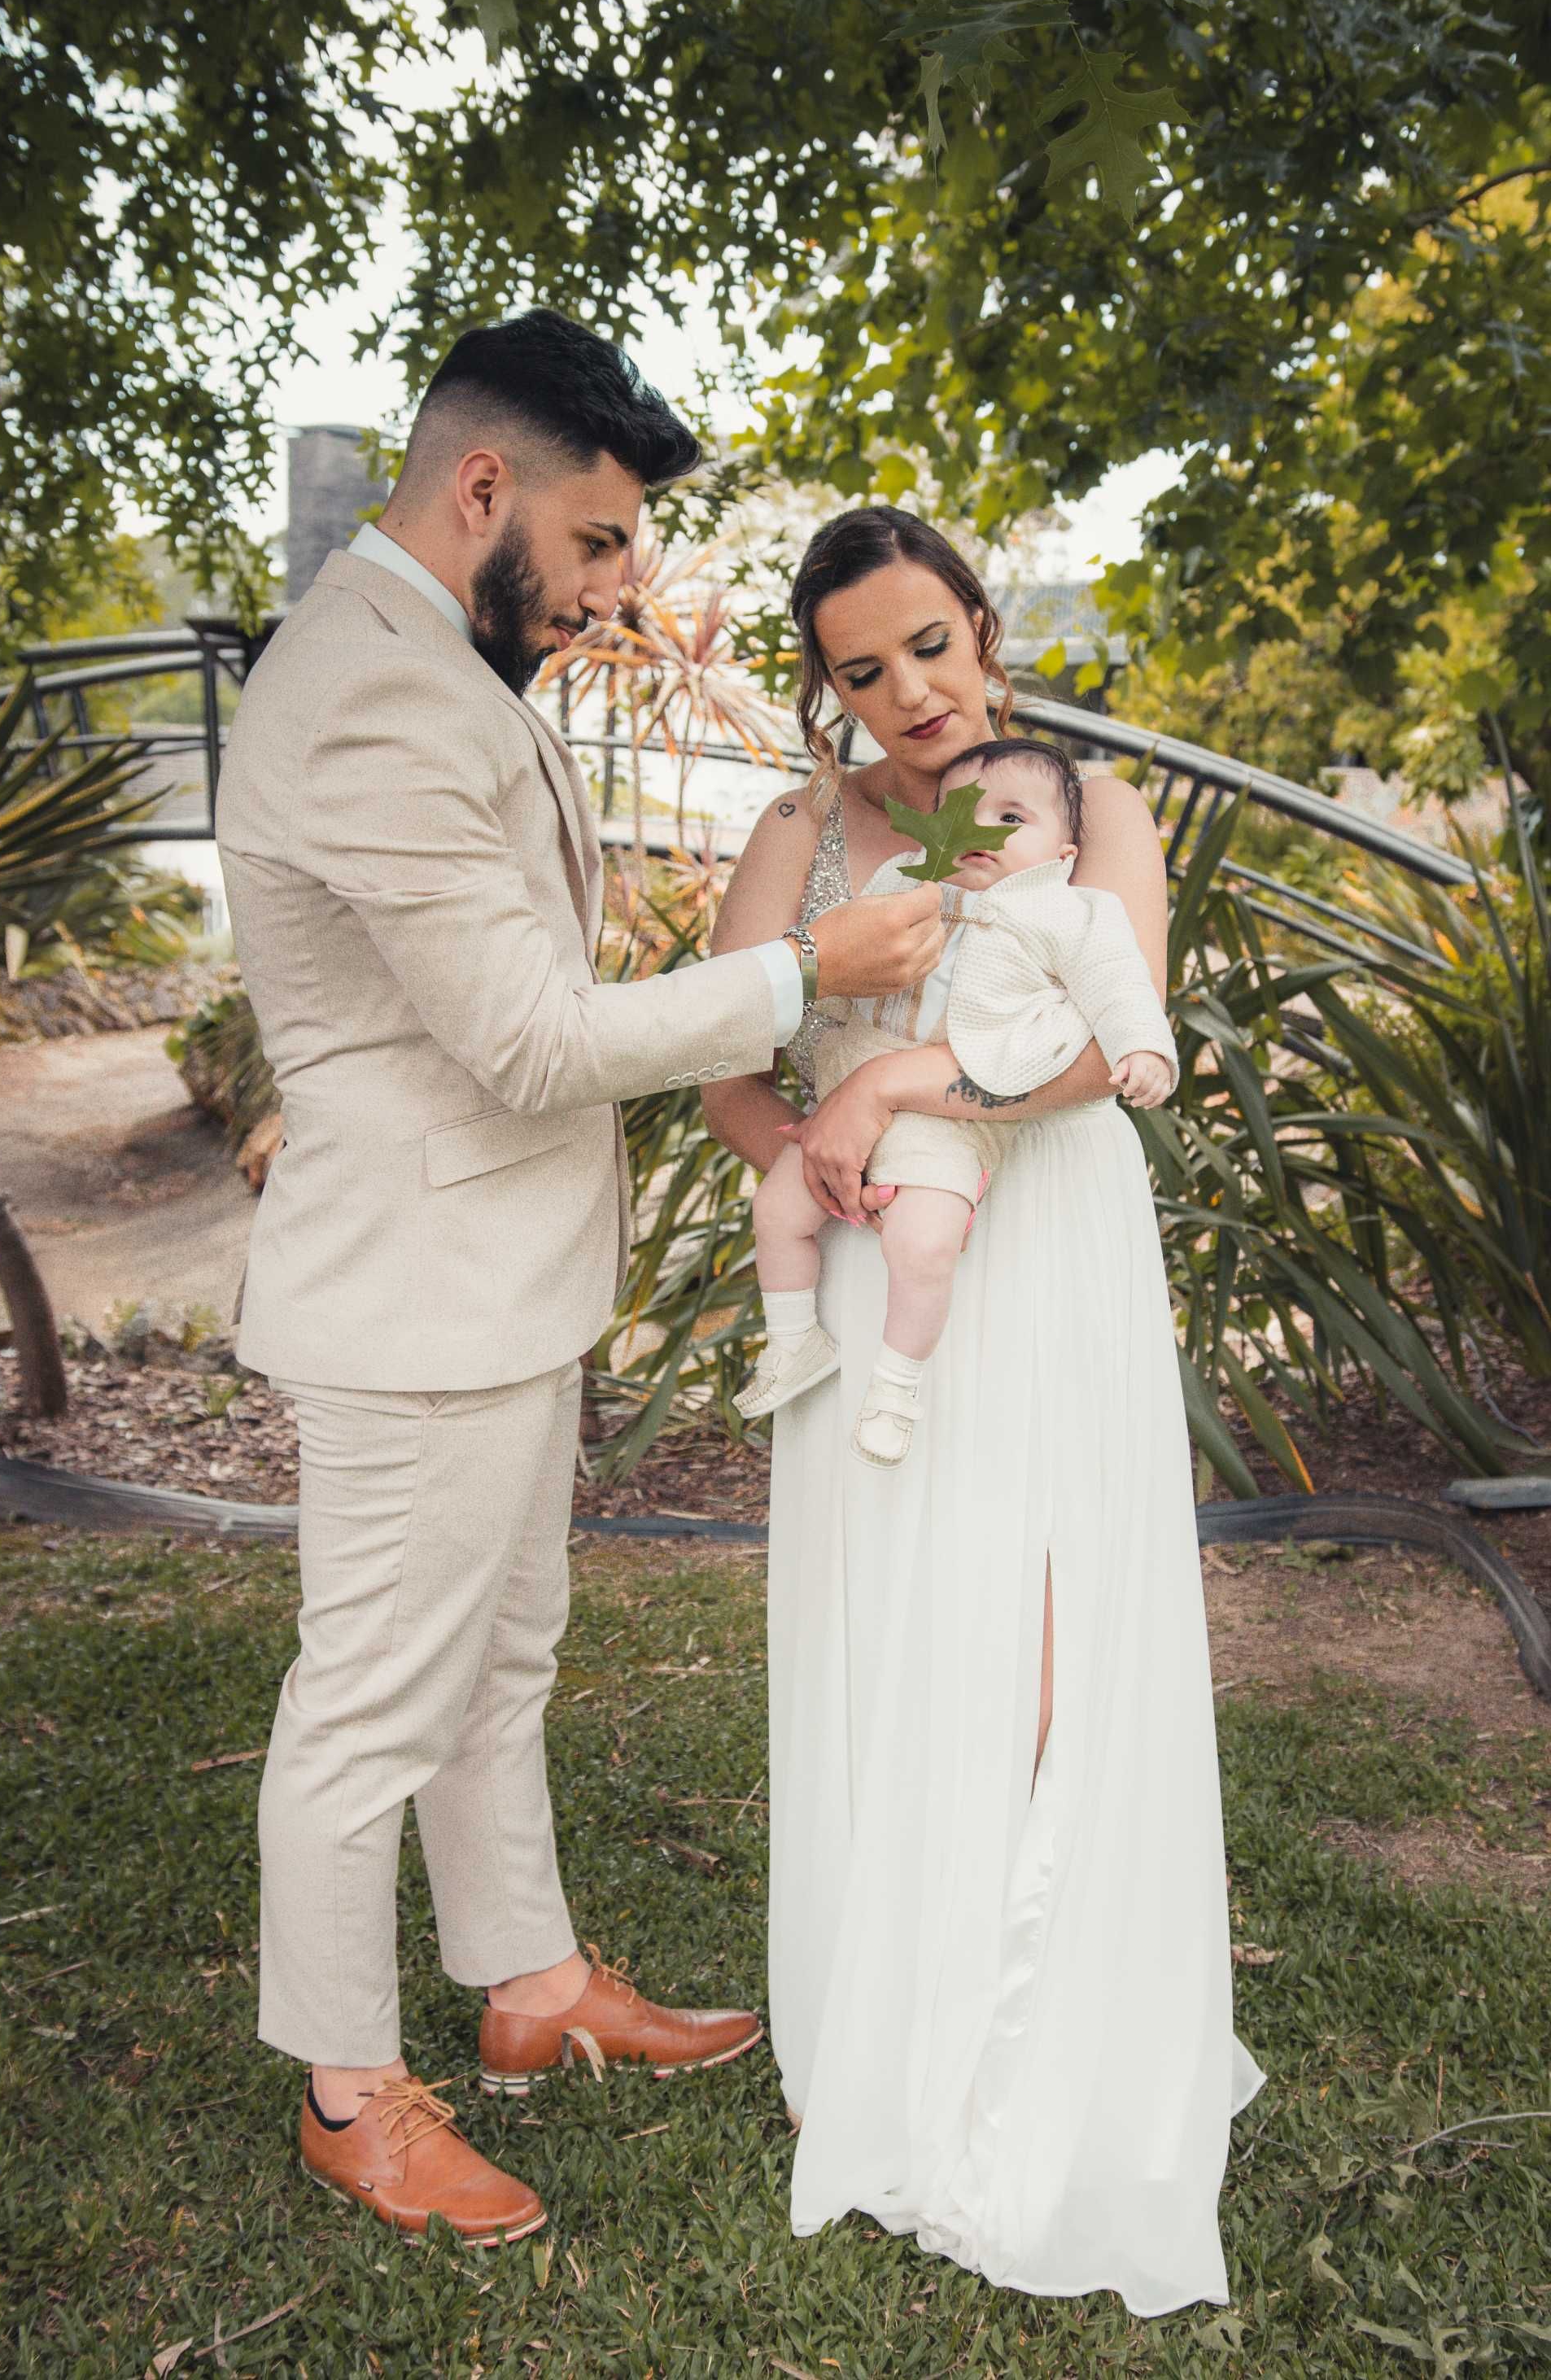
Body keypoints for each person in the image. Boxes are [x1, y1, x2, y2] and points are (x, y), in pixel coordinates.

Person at [214, 314, 948, 2247]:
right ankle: (350, 2091)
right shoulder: (363, 691)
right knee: (371, 1697)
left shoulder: (441, 654)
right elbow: (529, 1040)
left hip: (497, 1279)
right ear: (482, 491)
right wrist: (815, 974)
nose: (623, 581)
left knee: (500, 1658)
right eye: (604, 537)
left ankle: (529, 1981)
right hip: (416, 1293)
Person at [703, 504, 1265, 2317]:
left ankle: (1052, 2025)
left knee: (1043, 1629)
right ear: (828, 687)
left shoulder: (1093, 810)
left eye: (929, 646)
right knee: (903, 1627)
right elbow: (728, 1056)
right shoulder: (802, 827)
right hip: (884, 1260)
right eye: (861, 671)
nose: (908, 695)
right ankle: (897, 2019)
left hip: (1052, 1241)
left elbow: (1119, 1036)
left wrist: (920, 1077)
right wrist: (815, 1148)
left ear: (981, 623)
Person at [732, 736, 1177, 1463]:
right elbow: (834, 964)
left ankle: (896, 1387)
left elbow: (1120, 984)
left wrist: (1144, 1049)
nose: (980, 833)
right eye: (960, 814)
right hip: (854, 1085)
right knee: (777, 1210)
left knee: (924, 1240)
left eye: (1011, 819)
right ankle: (791, 1341)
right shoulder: (907, 886)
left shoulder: (1068, 913)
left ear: (1064, 855)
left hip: (958, 1099)